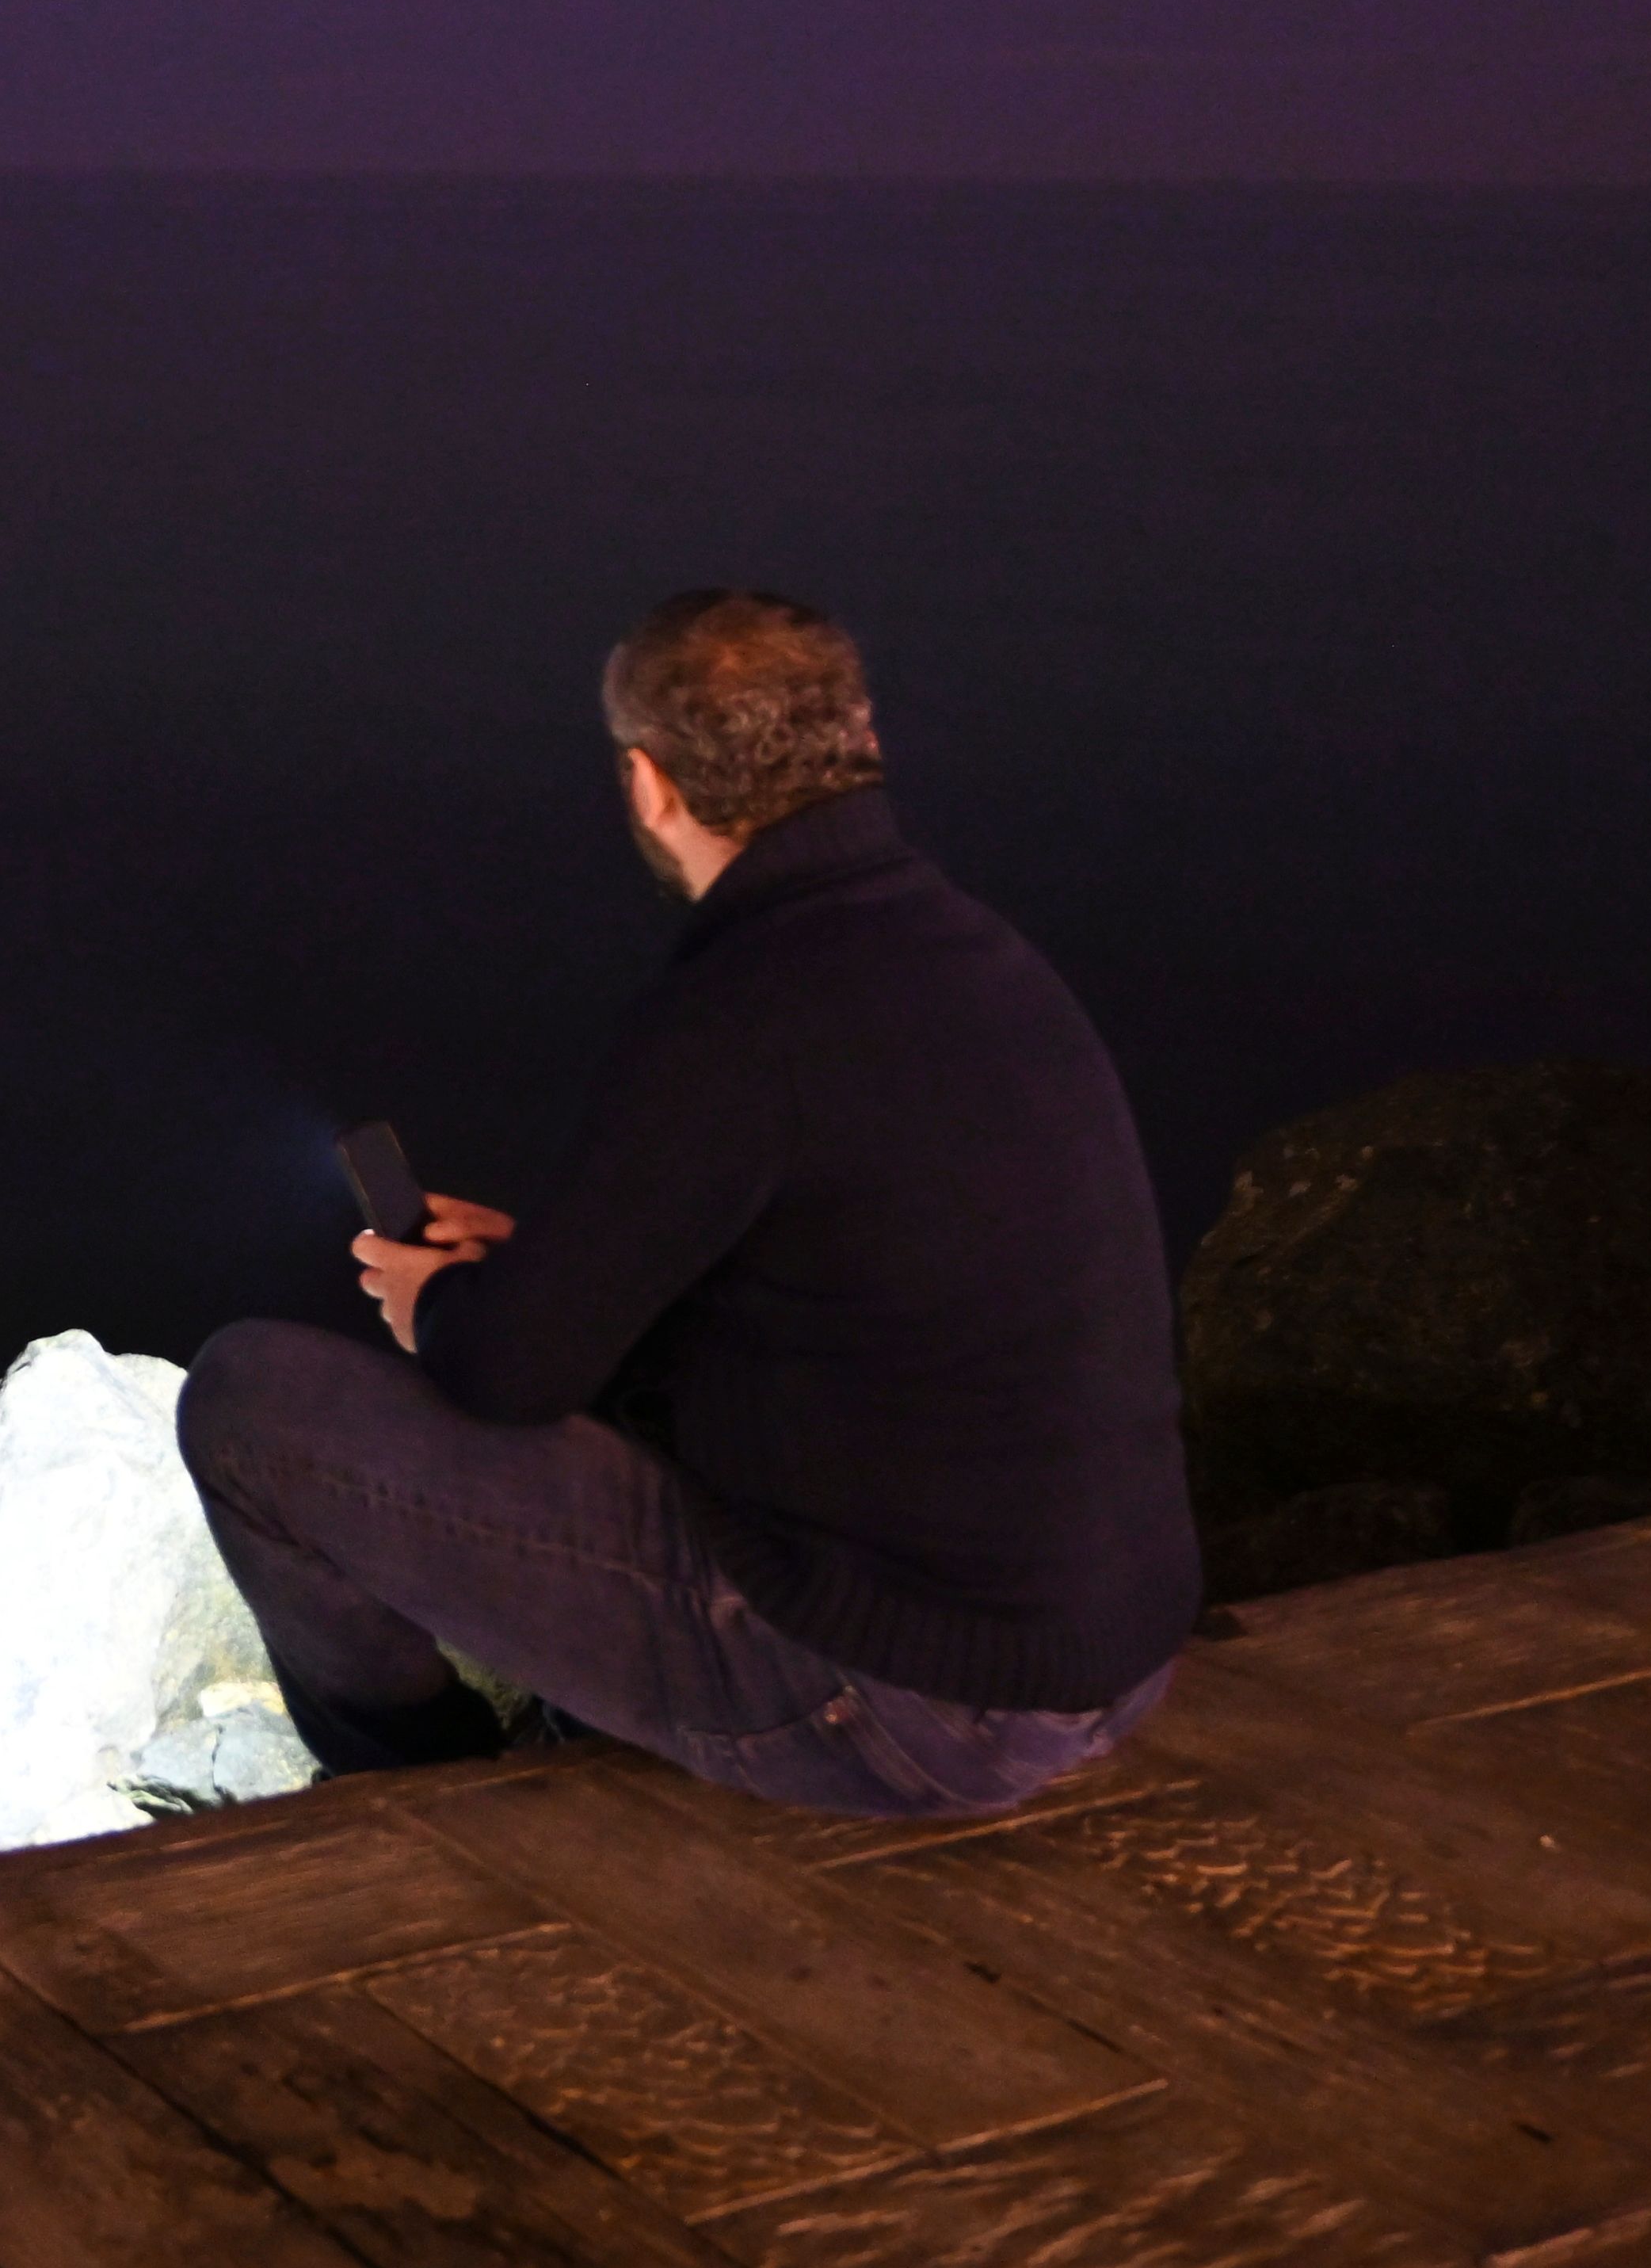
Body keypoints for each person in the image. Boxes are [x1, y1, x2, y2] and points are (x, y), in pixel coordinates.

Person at [177, 590, 1201, 1815]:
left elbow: (506, 1376)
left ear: (652, 787)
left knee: (248, 1403)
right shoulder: (977, 961)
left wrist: (440, 1297)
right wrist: (545, 1260)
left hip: (911, 1704)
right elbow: (845, 1266)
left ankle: (416, 1797)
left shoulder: (743, 1006)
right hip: (1104, 1655)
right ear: (859, 744)